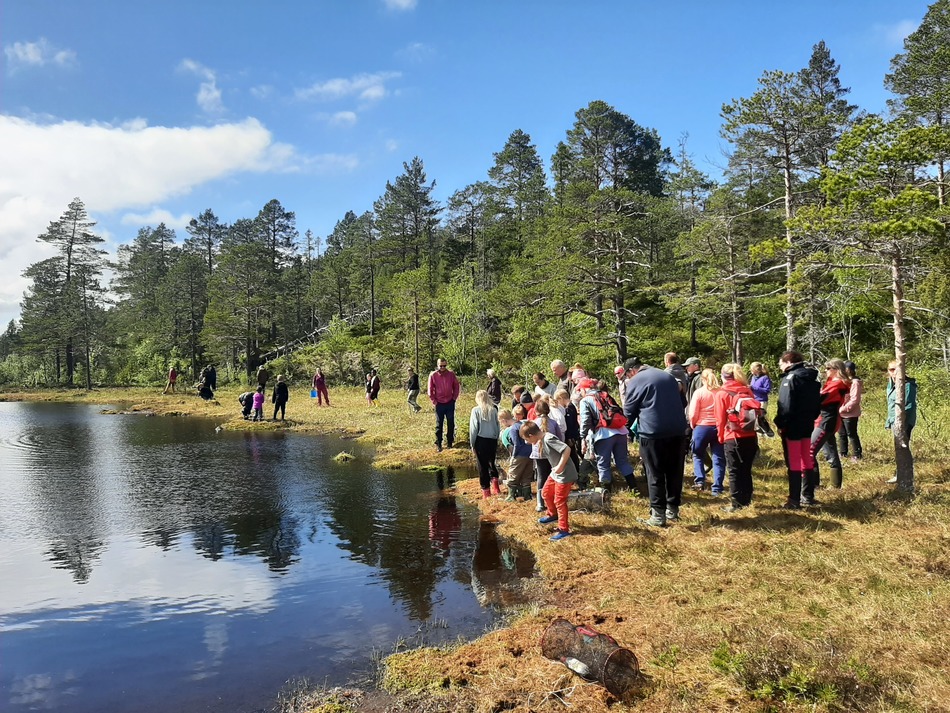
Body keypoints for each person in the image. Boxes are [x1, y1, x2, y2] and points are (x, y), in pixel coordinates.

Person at [623, 357, 689, 526]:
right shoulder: (667, 376)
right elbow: (683, 402)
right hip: (677, 430)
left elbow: (629, 411)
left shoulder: (635, 381)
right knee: (675, 471)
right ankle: (672, 510)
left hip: (653, 432)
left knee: (655, 473)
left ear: (632, 371)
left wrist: (626, 431)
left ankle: (658, 515)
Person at [773, 351, 821, 509]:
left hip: (792, 425)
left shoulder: (790, 379)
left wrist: (781, 424)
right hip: (807, 424)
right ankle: (808, 495)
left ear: (788, 362)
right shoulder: (813, 379)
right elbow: (817, 404)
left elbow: (785, 405)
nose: (780, 367)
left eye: (780, 363)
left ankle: (794, 500)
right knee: (806, 459)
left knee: (793, 461)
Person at [520, 420, 578, 541]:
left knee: (559, 501)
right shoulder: (542, 439)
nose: (527, 442)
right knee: (545, 492)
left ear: (531, 435)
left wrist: (560, 466)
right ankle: (553, 514)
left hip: (564, 474)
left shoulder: (548, 439)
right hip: (556, 473)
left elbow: (566, 449)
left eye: (527, 439)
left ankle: (564, 530)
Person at [714, 363, 761, 512]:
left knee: (734, 470)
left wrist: (720, 436)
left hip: (732, 436)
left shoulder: (722, 393)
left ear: (723, 376)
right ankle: (746, 499)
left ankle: (736, 503)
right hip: (750, 435)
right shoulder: (747, 390)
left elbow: (720, 419)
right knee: (746, 469)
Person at [578, 378, 636, 491]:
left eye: (580, 389)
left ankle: (607, 491)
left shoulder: (585, 400)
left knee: (603, 464)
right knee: (622, 461)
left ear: (585, 389)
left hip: (603, 434)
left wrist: (582, 437)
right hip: (620, 431)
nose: (580, 392)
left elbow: (585, 421)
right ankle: (634, 487)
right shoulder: (605, 395)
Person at [813, 359, 850, 489]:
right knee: (831, 452)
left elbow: (821, 400)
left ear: (836, 369)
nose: (825, 370)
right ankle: (835, 486)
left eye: (828, 368)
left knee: (809, 451)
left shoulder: (838, 384)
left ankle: (812, 484)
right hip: (823, 420)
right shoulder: (831, 383)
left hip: (827, 421)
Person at [687, 368, 726, 495]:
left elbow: (692, 413)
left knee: (697, 454)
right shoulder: (722, 392)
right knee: (718, 457)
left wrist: (693, 424)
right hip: (718, 427)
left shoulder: (699, 393)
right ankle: (718, 487)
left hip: (702, 427)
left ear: (703, 379)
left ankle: (700, 481)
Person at [885, 360, 918, 483]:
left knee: (903, 447)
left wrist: (901, 424)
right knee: (898, 447)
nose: (894, 372)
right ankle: (899, 474)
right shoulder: (891, 384)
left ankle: (904, 475)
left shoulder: (908, 385)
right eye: (891, 369)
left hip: (904, 422)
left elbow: (908, 406)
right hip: (894, 420)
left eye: (896, 369)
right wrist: (890, 421)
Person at [531, 400, 564, 512]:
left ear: (536, 411)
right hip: (552, 454)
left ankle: (540, 503)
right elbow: (560, 439)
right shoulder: (553, 423)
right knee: (553, 477)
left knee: (541, 476)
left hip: (538, 454)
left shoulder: (534, 422)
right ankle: (553, 500)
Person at [469, 390, 501, 498]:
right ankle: (496, 486)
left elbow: (474, 428)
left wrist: (472, 444)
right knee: (492, 462)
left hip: (480, 440)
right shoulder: (494, 409)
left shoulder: (476, 410)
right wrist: (496, 438)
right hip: (492, 439)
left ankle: (486, 491)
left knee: (482, 466)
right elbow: (498, 426)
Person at [502, 404, 534, 501]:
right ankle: (527, 496)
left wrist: (513, 456)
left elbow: (516, 444)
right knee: (526, 476)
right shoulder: (525, 425)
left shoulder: (514, 428)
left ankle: (511, 496)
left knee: (513, 475)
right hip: (530, 453)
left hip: (520, 455)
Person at [428, 358, 460, 452]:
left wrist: (454, 398)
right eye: (441, 366)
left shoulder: (451, 374)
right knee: (439, 424)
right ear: (437, 365)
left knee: (451, 423)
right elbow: (430, 390)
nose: (442, 368)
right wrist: (434, 401)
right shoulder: (433, 375)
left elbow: (456, 386)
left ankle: (450, 442)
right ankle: (438, 443)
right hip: (439, 403)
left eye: (444, 366)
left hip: (450, 402)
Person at [837, 361, 863, 462]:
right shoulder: (843, 381)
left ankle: (857, 454)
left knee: (851, 433)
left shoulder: (855, 383)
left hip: (850, 414)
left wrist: (843, 409)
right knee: (841, 434)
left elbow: (855, 400)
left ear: (850, 370)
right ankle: (843, 453)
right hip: (840, 413)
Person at [749, 362, 775, 437]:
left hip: (762, 401)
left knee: (760, 418)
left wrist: (754, 388)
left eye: (752, 370)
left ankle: (768, 433)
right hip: (754, 400)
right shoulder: (753, 378)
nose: (751, 371)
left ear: (756, 370)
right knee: (754, 419)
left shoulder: (765, 378)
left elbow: (767, 390)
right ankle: (760, 435)